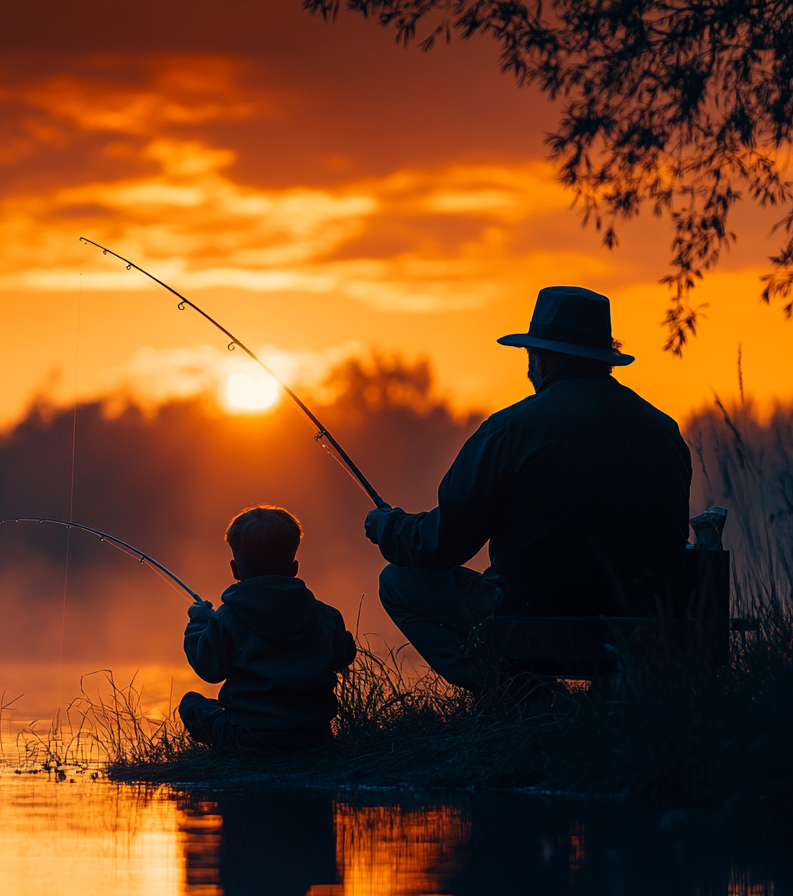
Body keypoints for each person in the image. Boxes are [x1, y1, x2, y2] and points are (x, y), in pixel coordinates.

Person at [365, 286, 692, 689]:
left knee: (397, 582)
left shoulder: (510, 430)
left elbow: (444, 542)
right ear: (603, 359)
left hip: (532, 619)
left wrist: (389, 527)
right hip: (641, 624)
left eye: (529, 357)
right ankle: (602, 696)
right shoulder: (663, 431)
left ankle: (522, 693)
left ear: (543, 358)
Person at [179, 505, 357, 755]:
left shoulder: (226, 619)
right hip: (316, 736)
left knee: (192, 704)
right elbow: (343, 656)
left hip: (249, 737)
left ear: (235, 570)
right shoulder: (326, 615)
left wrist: (200, 623)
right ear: (294, 567)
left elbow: (208, 668)